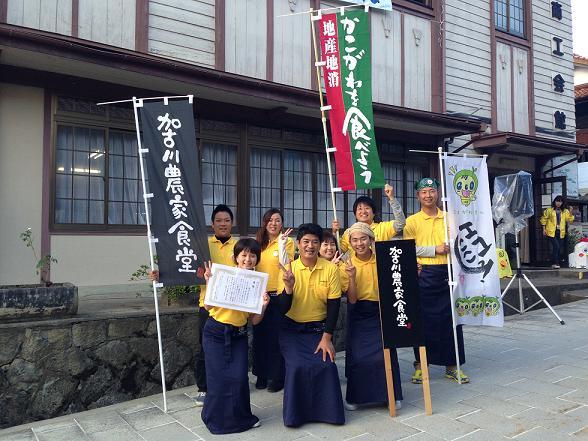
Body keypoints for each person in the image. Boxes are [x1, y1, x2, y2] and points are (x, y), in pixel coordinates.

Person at [277, 223, 345, 427]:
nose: (310, 246)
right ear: (298, 244)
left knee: (326, 365)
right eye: (306, 241)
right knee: (298, 366)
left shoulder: (331, 269)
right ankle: (295, 416)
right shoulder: (289, 268)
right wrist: (288, 287)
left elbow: (334, 306)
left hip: (317, 330)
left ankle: (328, 414)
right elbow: (281, 308)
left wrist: (327, 338)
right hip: (291, 330)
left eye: (315, 242)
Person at [201, 238, 270, 434]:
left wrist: (263, 306)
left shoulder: (258, 282)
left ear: (257, 258)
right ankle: (215, 419)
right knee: (218, 379)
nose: (248, 259)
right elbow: (207, 306)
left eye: (252, 255)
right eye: (244, 255)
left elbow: (255, 321)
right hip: (215, 332)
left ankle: (242, 418)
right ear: (236, 257)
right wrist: (209, 282)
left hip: (238, 334)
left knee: (239, 378)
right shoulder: (222, 274)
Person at [402, 178, 468, 384]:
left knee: (451, 321)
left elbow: (461, 244)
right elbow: (407, 249)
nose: (428, 195)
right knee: (421, 321)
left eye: (432, 191)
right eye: (424, 192)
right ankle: (421, 365)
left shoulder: (450, 218)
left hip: (448, 272)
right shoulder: (411, 221)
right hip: (423, 274)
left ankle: (452, 365)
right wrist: (433, 250)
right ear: (418, 196)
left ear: (438, 193)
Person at [339, 222, 403, 411]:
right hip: (359, 312)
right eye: (355, 240)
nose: (359, 243)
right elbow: (352, 299)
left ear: (371, 240)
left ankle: (392, 394)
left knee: (387, 353)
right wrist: (351, 277)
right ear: (350, 242)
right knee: (358, 356)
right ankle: (357, 397)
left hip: (383, 311)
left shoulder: (384, 259)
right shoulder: (346, 264)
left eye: (363, 238)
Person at [195, 204, 237, 405]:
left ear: (232, 223)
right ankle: (203, 387)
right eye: (219, 221)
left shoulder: (239, 246)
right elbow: (186, 270)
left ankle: (230, 382)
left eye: (227, 220)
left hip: (232, 307)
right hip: (208, 305)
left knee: (232, 347)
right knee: (205, 348)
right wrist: (162, 275)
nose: (223, 224)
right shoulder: (202, 245)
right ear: (212, 224)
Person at [252, 209, 295, 392]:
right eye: (270, 220)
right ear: (264, 222)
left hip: (278, 295)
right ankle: (261, 374)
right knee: (259, 336)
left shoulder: (288, 241)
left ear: (282, 223)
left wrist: (282, 245)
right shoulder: (258, 243)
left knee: (277, 338)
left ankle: (277, 377)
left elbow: (287, 265)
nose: (273, 223)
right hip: (260, 295)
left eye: (277, 220)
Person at [332, 184, 405, 254]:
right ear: (355, 214)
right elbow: (339, 251)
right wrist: (334, 233)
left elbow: (400, 223)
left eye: (367, 208)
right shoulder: (348, 232)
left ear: (374, 213)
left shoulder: (382, 228)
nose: (363, 211)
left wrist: (391, 198)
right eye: (360, 209)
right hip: (355, 267)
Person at [540, 196, 575, 269]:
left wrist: (571, 212)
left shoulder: (565, 211)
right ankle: (555, 263)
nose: (558, 203)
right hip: (551, 231)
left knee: (559, 248)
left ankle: (555, 263)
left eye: (560, 201)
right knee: (556, 246)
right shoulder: (549, 210)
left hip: (561, 231)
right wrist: (544, 229)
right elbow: (543, 219)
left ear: (562, 203)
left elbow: (570, 220)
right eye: (557, 201)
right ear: (554, 202)